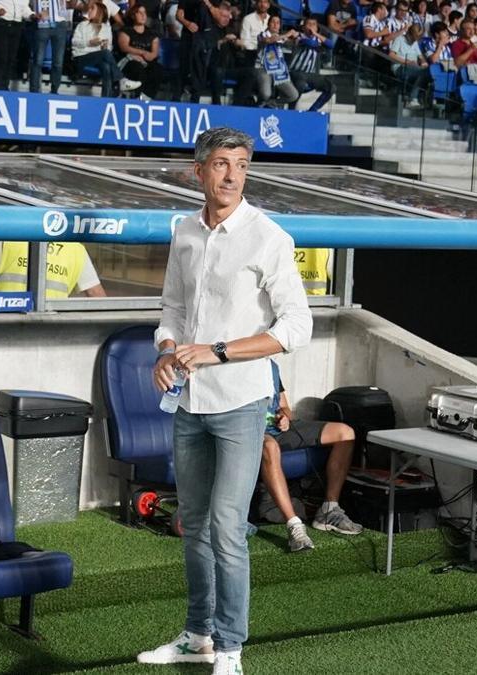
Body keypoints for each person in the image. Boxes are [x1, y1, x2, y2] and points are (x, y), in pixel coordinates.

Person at [140, 127, 311, 675]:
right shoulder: (185, 232)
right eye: (220, 163)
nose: (232, 174)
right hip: (189, 402)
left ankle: (231, 648)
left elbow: (295, 328)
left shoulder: (269, 238)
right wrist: (167, 352)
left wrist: (217, 351)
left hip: (241, 402)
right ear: (199, 171)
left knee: (226, 526)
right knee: (192, 522)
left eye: (241, 163)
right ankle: (198, 635)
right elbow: (170, 310)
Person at [261, 361, 361, 552]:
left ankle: (329, 509)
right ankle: (294, 525)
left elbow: (285, 407)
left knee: (345, 433)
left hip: (280, 429)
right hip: (251, 431)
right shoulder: (236, 367)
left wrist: (284, 418)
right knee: (269, 446)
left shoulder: (271, 366)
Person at [0, 241, 106, 297]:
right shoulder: (77, 249)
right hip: (51, 321)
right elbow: (97, 295)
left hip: (4, 316)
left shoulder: (8, 240)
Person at [71, 0, 121, 95]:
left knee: (106, 66)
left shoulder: (106, 27)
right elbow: (74, 43)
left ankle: (106, 98)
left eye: (92, 9)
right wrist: (89, 42)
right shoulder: (82, 25)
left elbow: (109, 48)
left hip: (98, 57)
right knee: (105, 53)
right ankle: (119, 79)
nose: (89, 11)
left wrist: (104, 46)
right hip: (81, 57)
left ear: (99, 12)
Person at [286, 16, 335, 112]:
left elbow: (331, 45)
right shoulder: (299, 36)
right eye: (309, 24)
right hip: (295, 72)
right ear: (303, 27)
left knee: (331, 87)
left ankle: (312, 110)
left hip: (310, 75)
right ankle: (291, 110)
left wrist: (316, 34)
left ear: (317, 28)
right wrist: (319, 44)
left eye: (314, 25)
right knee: (300, 83)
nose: (311, 27)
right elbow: (309, 43)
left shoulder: (318, 39)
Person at [118, 4, 164, 100]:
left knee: (157, 69)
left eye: (144, 13)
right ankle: (136, 97)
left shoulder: (152, 34)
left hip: (146, 61)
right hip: (129, 61)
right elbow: (124, 47)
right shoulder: (126, 31)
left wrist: (146, 57)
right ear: (133, 15)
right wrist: (142, 53)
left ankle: (146, 97)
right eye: (140, 13)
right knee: (137, 68)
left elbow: (153, 53)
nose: (143, 16)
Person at [0, 0, 34, 89]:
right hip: (1, 23)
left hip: (17, 26)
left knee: (11, 58)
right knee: (2, 57)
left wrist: (31, 15)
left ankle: (4, 86)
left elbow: (24, 9)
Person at [28, 0, 71, 94]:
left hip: (60, 24)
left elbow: (71, 4)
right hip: (42, 22)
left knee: (58, 62)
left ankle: (54, 91)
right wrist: (34, 12)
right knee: (38, 60)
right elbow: (30, 4)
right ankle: (34, 91)